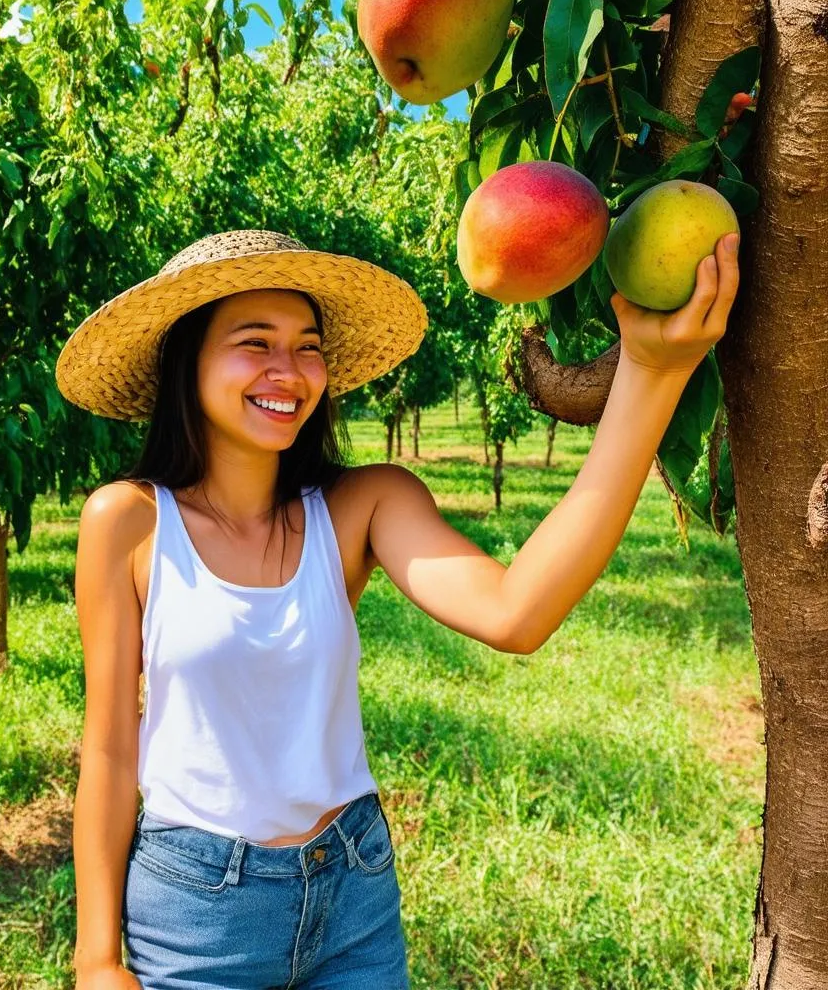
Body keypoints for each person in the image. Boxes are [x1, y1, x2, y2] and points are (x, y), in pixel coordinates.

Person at [55, 228, 740, 990]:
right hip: (198, 912)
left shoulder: (361, 506)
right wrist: (96, 958)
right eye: (256, 343)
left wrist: (652, 370)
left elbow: (517, 613)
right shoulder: (129, 522)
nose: (289, 371)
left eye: (307, 346)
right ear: (190, 363)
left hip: (353, 894)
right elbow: (112, 749)